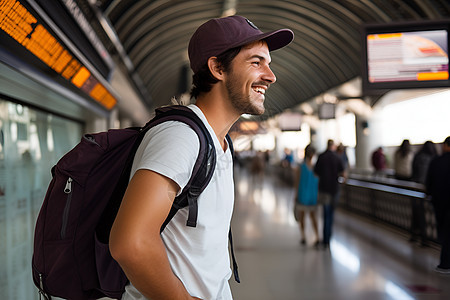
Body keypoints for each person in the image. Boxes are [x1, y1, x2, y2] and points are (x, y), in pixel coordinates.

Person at [109, 15, 293, 300]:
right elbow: (130, 243)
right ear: (217, 67)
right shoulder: (180, 137)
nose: (270, 76)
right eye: (256, 62)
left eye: (268, 63)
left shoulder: (219, 142)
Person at [425, 136, 450, 274]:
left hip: (440, 203)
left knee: (444, 233)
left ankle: (445, 263)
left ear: (446, 145)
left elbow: (429, 183)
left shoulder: (436, 161)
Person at [314, 139, 344, 249]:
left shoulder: (321, 157)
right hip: (334, 189)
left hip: (324, 189)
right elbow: (343, 173)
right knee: (331, 214)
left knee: (325, 214)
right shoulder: (337, 157)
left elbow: (316, 172)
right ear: (334, 146)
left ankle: (325, 239)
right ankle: (329, 237)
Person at [294, 145, 320, 246]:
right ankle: (316, 236)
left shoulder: (301, 167)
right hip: (311, 195)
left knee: (303, 216)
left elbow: (297, 182)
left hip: (304, 195)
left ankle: (304, 236)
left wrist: (296, 194)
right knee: (312, 216)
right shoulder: (313, 168)